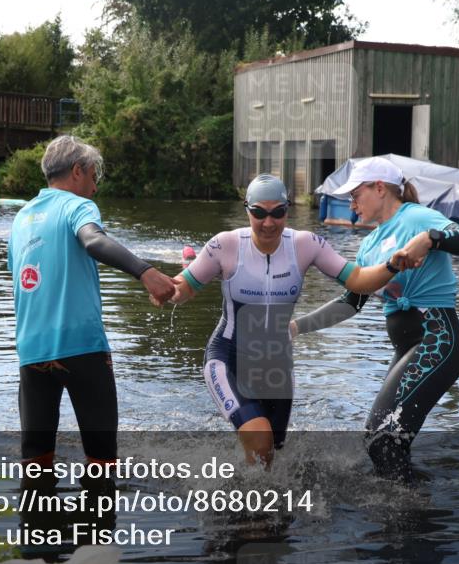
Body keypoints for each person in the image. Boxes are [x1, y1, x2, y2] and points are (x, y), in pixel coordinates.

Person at [169, 174, 431, 467]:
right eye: (259, 213)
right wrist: (166, 287)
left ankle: (257, 505)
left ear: (287, 209)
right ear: (248, 210)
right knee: (260, 440)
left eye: (277, 212)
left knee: (273, 457)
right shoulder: (225, 245)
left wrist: (393, 264)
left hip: (276, 364)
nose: (269, 222)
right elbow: (186, 286)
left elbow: (358, 281)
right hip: (228, 357)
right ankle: (246, 509)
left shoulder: (306, 245)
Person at [290, 156, 459, 482]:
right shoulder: (369, 246)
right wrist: (296, 327)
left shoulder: (417, 217)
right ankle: (414, 499)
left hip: (436, 341)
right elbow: (351, 302)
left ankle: (408, 512)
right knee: (385, 442)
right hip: (408, 347)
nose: (351, 203)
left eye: (355, 194)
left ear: (380, 188)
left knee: (381, 437)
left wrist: (429, 239)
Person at [8, 136, 175, 468]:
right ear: (76, 171)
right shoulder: (76, 205)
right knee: (102, 462)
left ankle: (37, 519)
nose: (95, 188)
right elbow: (93, 240)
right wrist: (145, 272)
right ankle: (98, 517)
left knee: (35, 460)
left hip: (31, 351)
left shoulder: (20, 218)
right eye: (93, 176)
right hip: (81, 347)